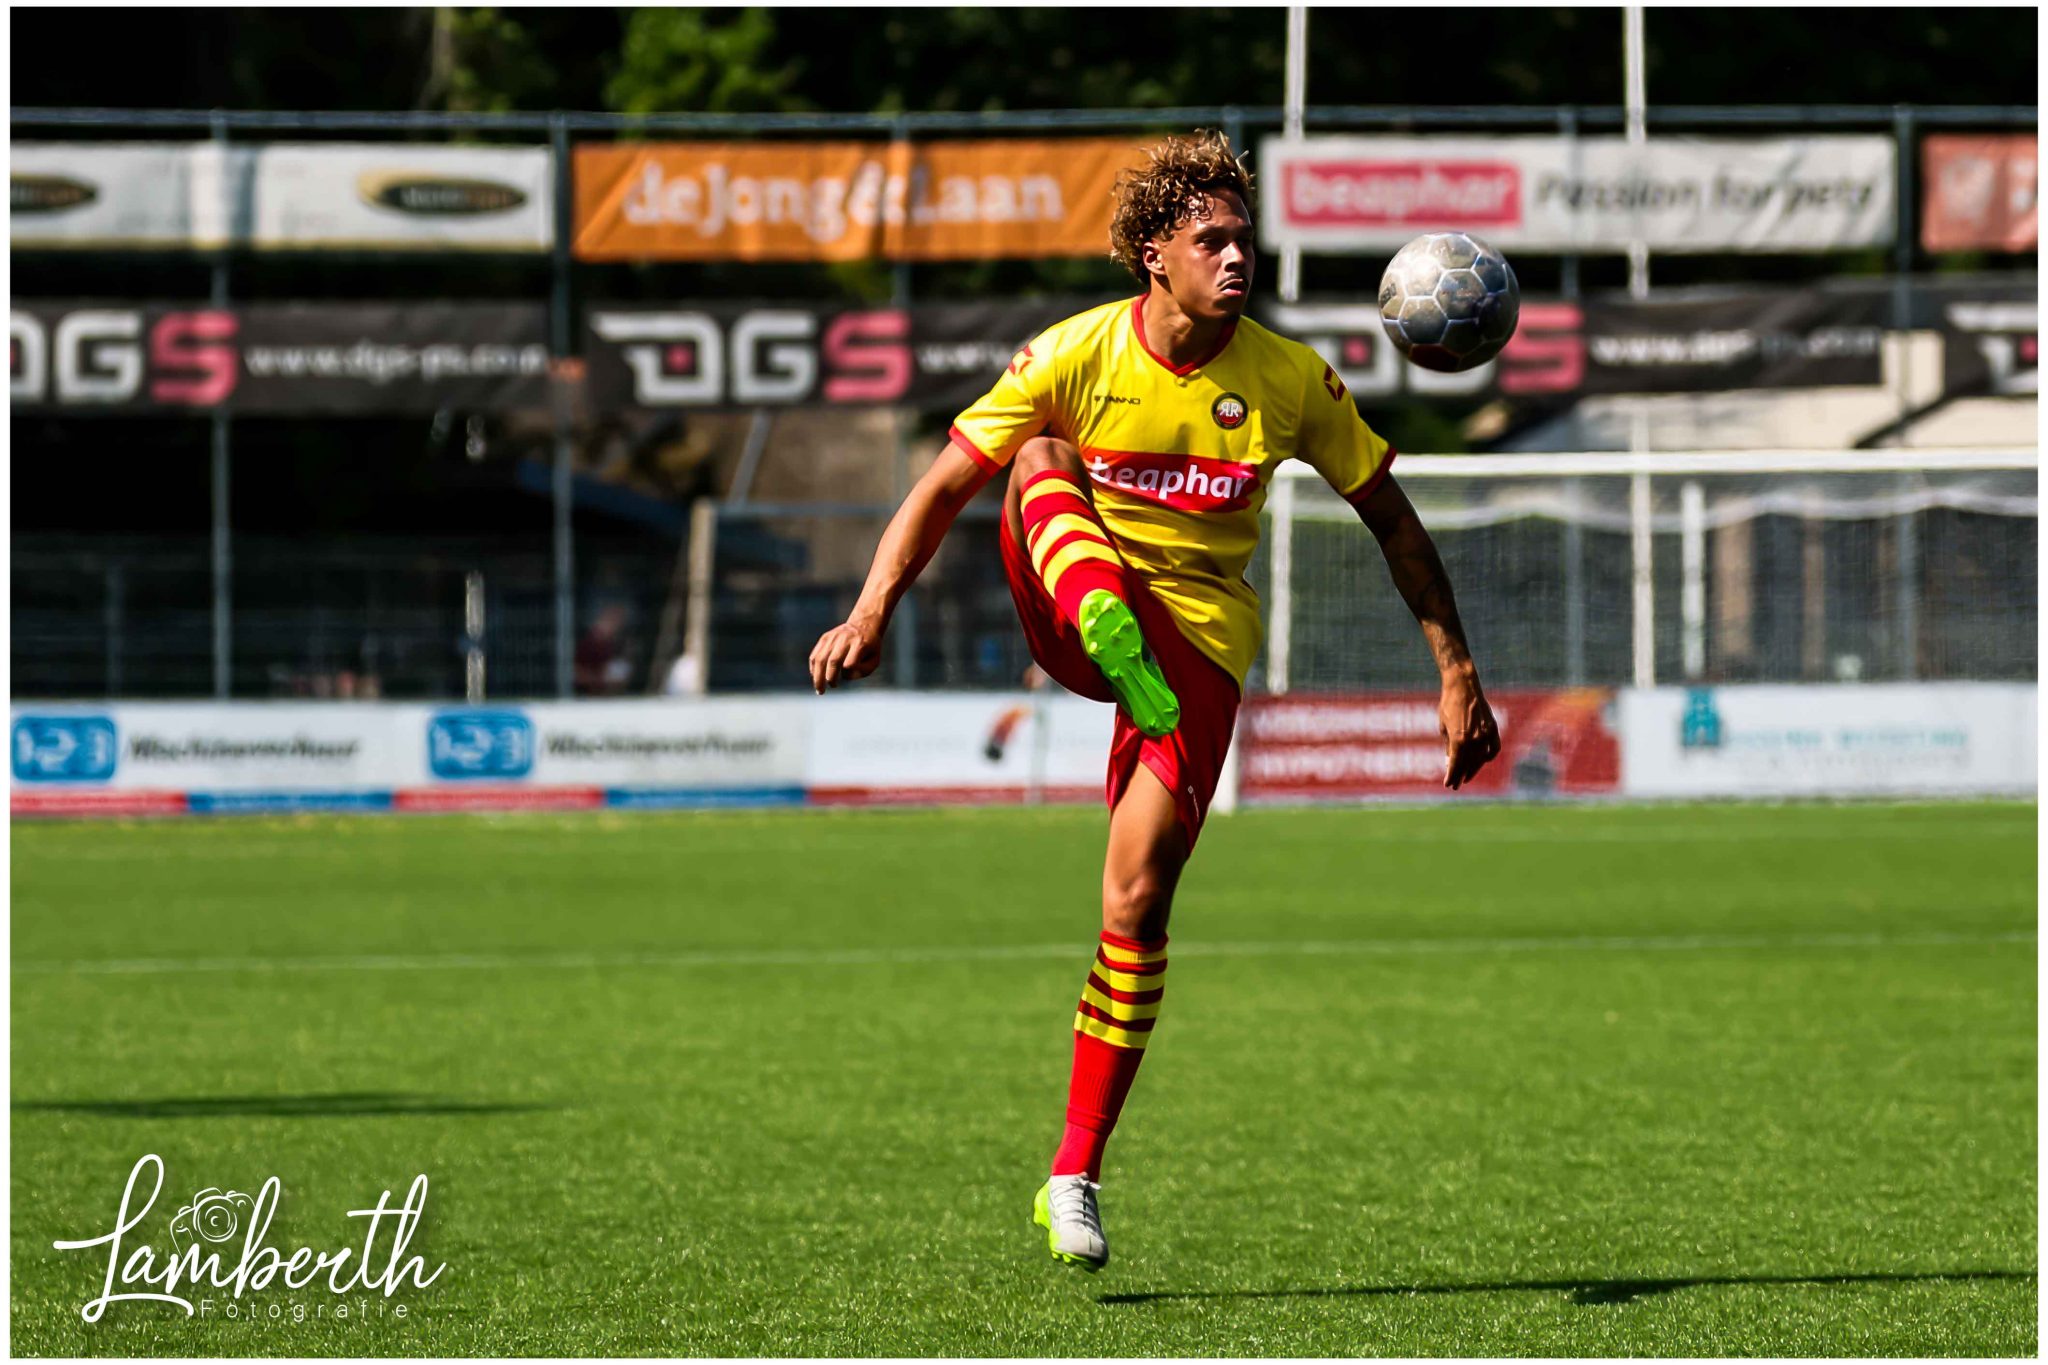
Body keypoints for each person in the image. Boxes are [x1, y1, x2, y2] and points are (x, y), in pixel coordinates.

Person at [806, 130, 1501, 1273]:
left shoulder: (1289, 379)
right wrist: (871, 609)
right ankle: (1101, 614)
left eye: (1243, 239)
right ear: (1152, 256)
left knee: (1133, 903)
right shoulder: (1072, 354)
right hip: (1071, 592)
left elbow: (1392, 518)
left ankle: (1071, 1177)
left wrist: (1455, 671)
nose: (1235, 258)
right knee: (1037, 454)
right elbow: (941, 486)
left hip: (1195, 650)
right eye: (1209, 240)